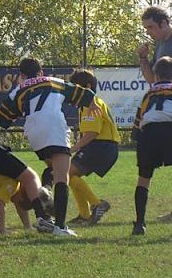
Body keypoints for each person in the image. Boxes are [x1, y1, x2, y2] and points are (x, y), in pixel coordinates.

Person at [0, 57, 101, 237]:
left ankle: (43, 212)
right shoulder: (54, 81)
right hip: (54, 128)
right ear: (41, 72)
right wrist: (92, 102)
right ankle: (59, 226)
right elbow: (81, 92)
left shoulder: (18, 90)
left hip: (34, 134)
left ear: (22, 76)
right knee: (62, 176)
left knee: (53, 167)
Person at [44, 69, 119, 226]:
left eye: (76, 87)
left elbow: (92, 133)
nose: (73, 92)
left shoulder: (92, 104)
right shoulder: (88, 105)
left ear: (87, 86)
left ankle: (97, 204)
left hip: (102, 146)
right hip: (100, 146)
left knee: (65, 173)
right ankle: (85, 215)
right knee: (67, 175)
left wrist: (71, 149)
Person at [137, 6, 172, 223]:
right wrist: (143, 58)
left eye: (151, 27)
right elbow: (153, 80)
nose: (148, 32)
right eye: (146, 28)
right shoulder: (159, 45)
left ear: (164, 23)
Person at [131, 56, 172, 235]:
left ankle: (140, 224)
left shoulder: (149, 93)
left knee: (144, 178)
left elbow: (138, 121)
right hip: (169, 129)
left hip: (149, 133)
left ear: (155, 75)